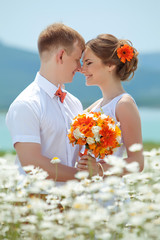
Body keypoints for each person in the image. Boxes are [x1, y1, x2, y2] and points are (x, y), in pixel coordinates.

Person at [6, 23, 85, 183]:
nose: (79, 67)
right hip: (38, 204)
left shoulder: (75, 103)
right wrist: (83, 176)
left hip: (74, 203)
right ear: (61, 56)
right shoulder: (26, 104)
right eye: (77, 60)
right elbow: (32, 164)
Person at [77, 34, 144, 176]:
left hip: (108, 193)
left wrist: (99, 170)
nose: (82, 69)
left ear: (110, 65)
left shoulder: (124, 104)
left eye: (88, 63)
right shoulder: (96, 105)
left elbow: (138, 162)